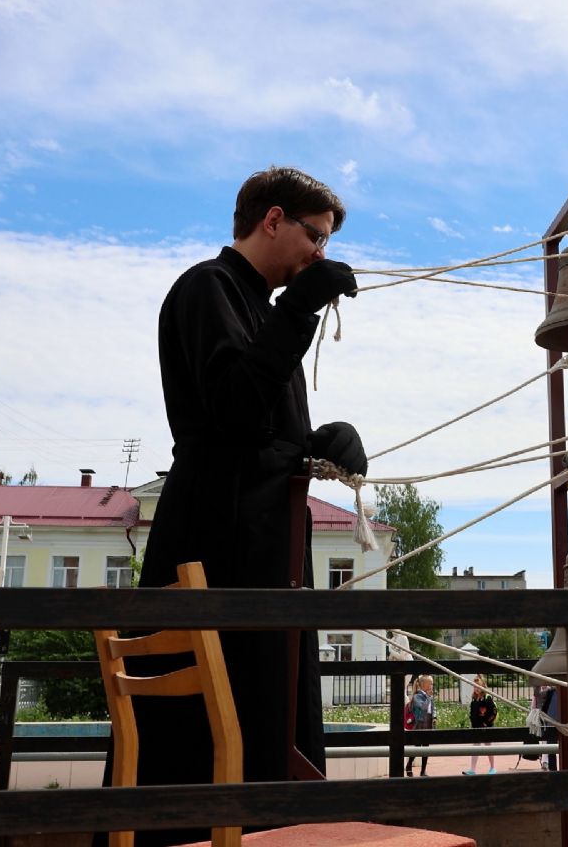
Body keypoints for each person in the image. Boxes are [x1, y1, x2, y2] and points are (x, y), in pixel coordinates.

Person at [120, 167, 367, 845]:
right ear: (273, 219)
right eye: (316, 237)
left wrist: (315, 444)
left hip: (265, 542)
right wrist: (300, 310)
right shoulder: (208, 287)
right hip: (216, 538)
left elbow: (257, 425)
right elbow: (229, 414)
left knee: (272, 716)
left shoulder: (262, 306)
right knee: (208, 725)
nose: (320, 253)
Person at [465, 675, 498, 775]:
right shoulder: (474, 699)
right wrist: (472, 722)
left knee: (488, 747)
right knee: (475, 747)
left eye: (478, 686)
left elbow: (494, 712)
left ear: (483, 686)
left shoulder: (487, 698)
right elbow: (472, 713)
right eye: (474, 686)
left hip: (486, 727)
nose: (476, 689)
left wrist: (486, 723)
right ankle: (472, 769)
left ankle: (492, 767)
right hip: (476, 727)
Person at [406, 675, 436, 776]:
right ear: (423, 684)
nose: (432, 685)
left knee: (426, 748)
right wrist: (428, 697)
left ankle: (423, 771)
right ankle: (409, 764)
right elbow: (423, 708)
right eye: (430, 683)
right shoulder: (417, 696)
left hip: (428, 724)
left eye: (432, 683)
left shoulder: (429, 696)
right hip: (420, 725)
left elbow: (433, 708)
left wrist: (434, 717)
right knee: (418, 747)